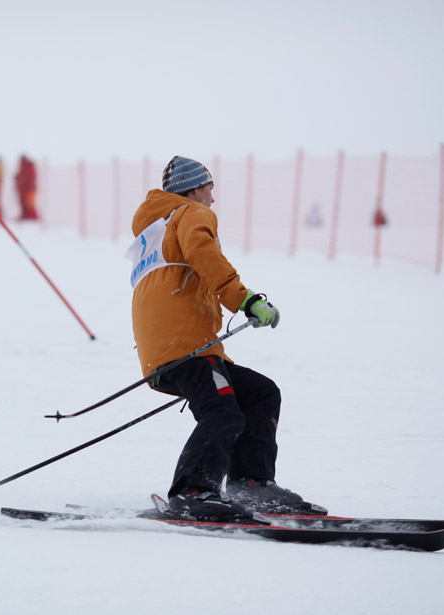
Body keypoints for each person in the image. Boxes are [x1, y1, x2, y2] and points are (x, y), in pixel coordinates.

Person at [126, 155, 326, 523]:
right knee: (222, 412)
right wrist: (246, 300)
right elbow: (208, 258)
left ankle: (251, 484)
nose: (212, 198)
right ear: (193, 190)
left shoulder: (156, 229)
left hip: (167, 348)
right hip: (185, 346)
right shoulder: (191, 214)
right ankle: (192, 492)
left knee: (260, 393)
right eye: (209, 189)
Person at [15, 154, 39, 220]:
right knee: (24, 202)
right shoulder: (24, 166)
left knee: (29, 203)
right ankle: (26, 215)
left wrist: (29, 186)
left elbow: (30, 177)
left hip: (29, 188)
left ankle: (32, 217)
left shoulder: (29, 166)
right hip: (24, 188)